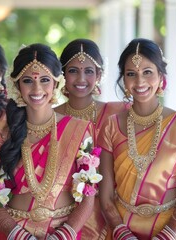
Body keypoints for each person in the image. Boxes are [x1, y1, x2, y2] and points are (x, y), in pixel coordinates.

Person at [98, 38, 176, 240]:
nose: (140, 82)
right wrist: (124, 235)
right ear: (124, 79)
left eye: (147, 72)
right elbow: (105, 198)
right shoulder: (111, 125)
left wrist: (166, 236)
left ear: (160, 76)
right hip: (123, 227)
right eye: (131, 74)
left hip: (175, 228)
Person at [0, 43, 95, 239]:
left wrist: (63, 236)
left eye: (45, 80)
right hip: (14, 233)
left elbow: (88, 196)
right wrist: (20, 236)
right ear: (16, 85)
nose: (37, 89)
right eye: (28, 81)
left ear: (56, 83)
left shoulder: (78, 130)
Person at [55, 38, 128, 239]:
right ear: (62, 75)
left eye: (88, 71)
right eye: (73, 71)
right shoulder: (50, 117)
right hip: (61, 216)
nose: (81, 79)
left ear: (99, 75)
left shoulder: (116, 113)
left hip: (110, 213)